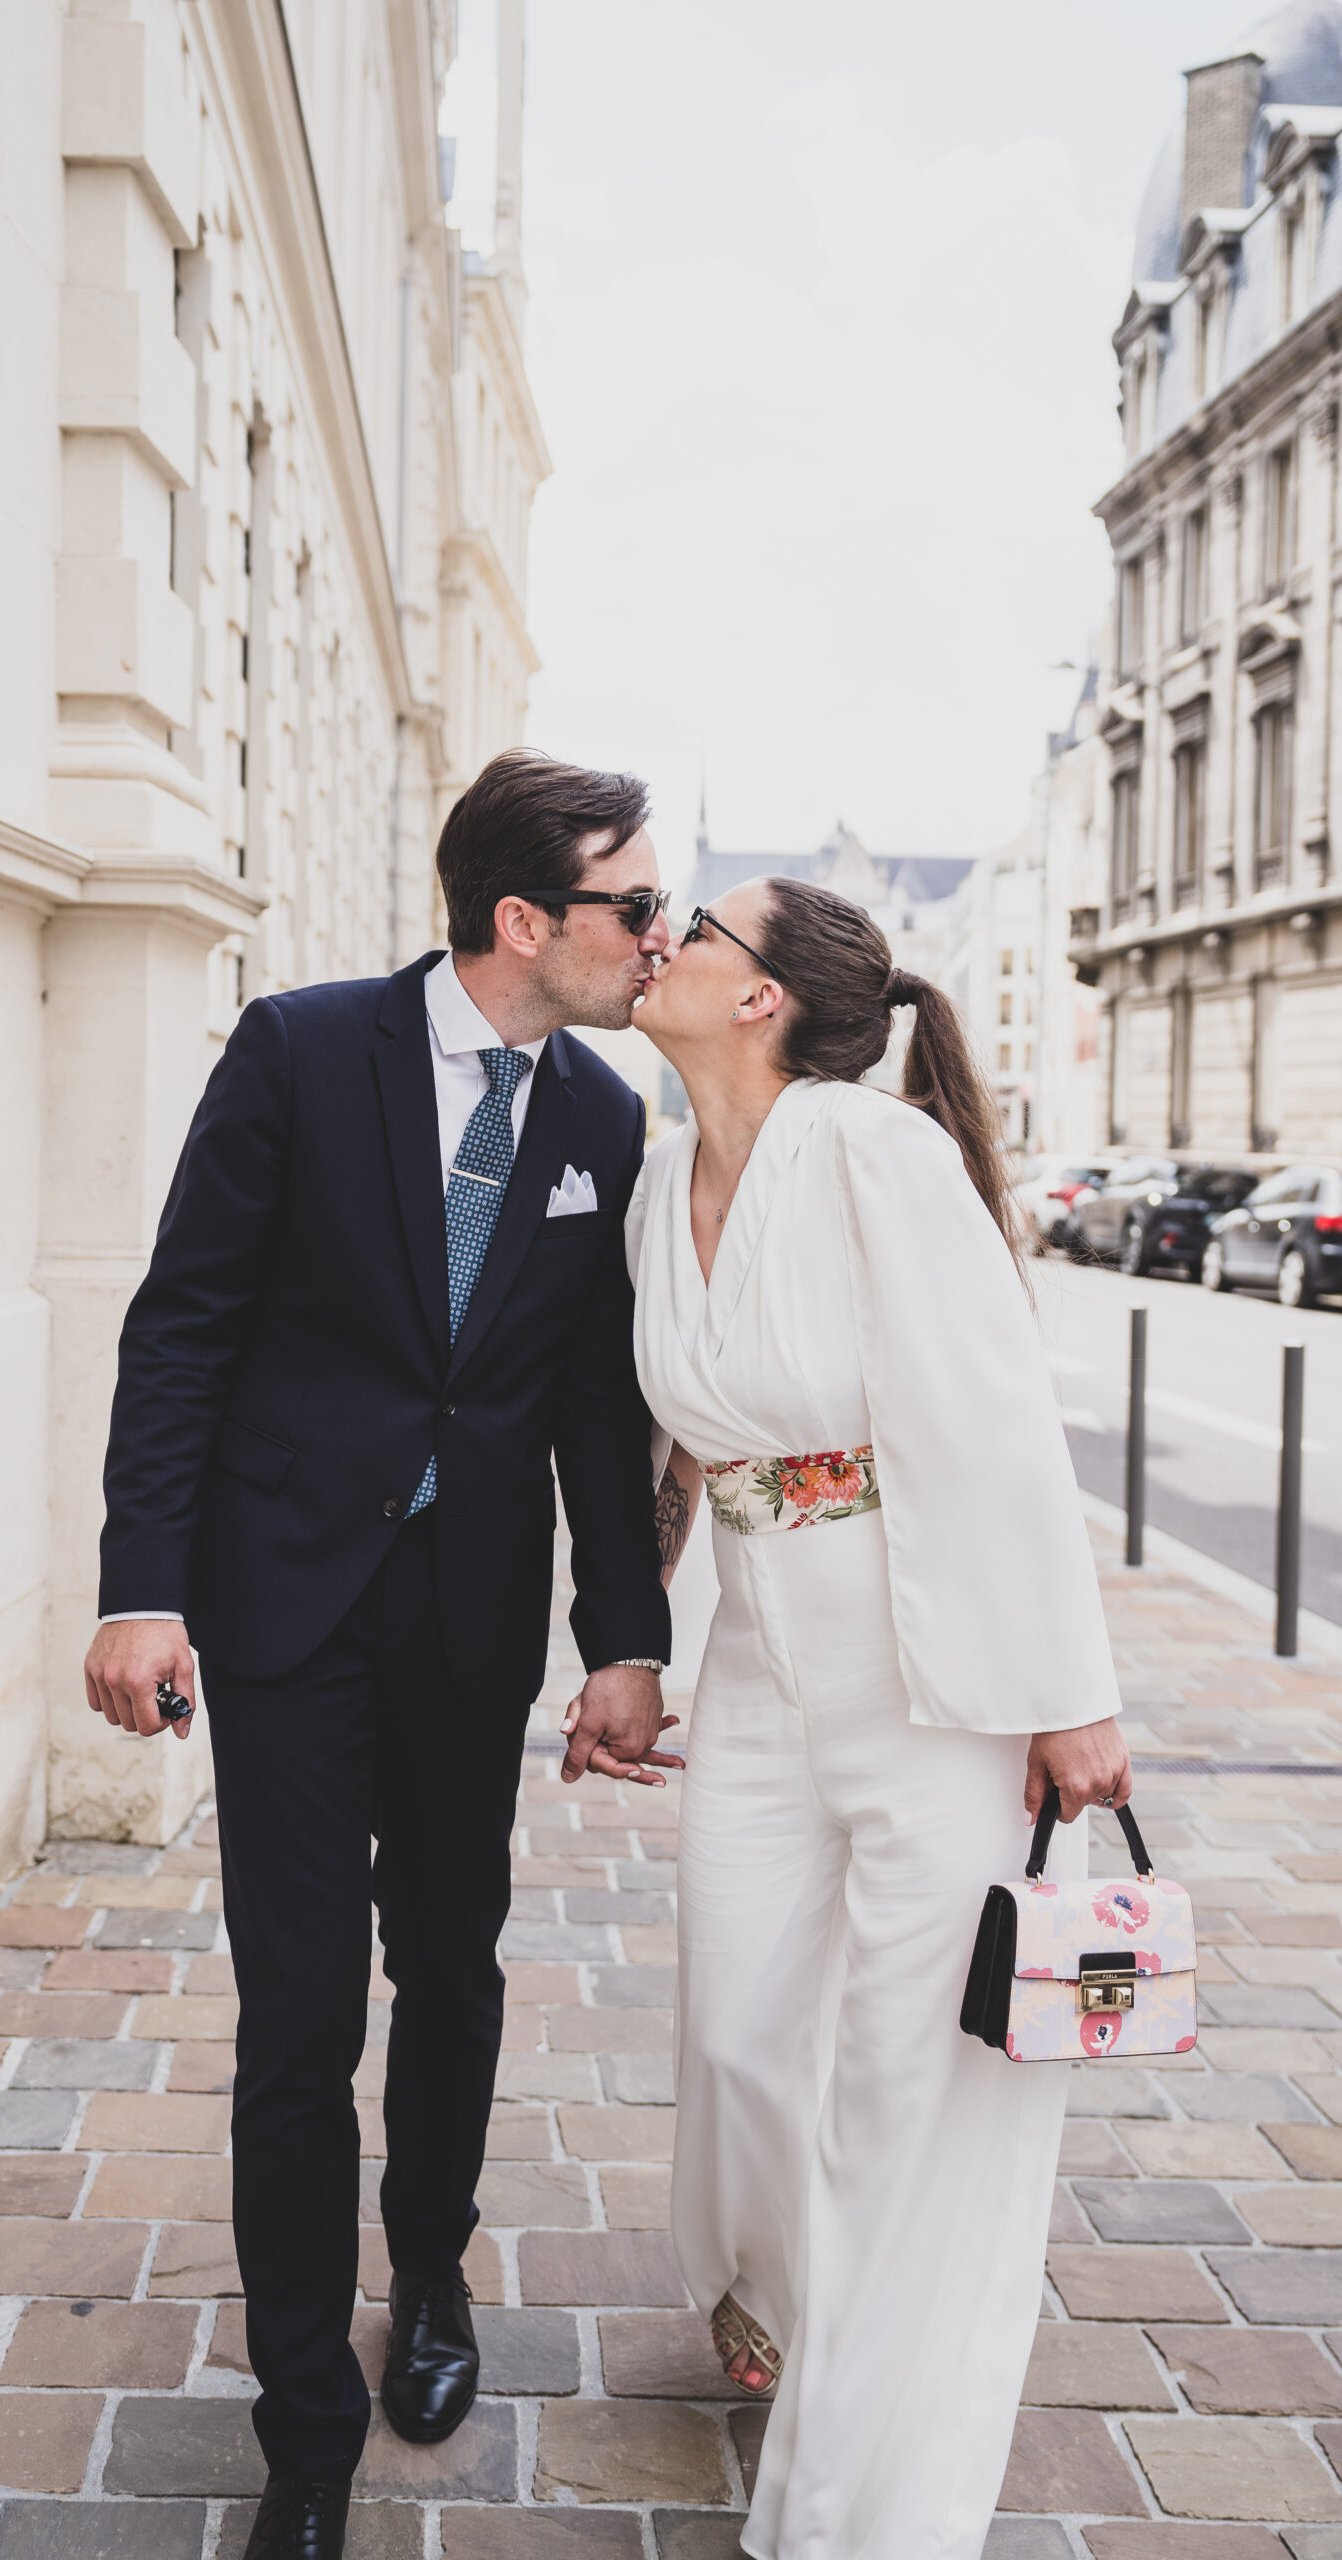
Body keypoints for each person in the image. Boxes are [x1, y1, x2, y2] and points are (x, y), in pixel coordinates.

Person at [83, 750, 681, 2560]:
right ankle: (305, 2426)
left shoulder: (599, 1118)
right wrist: (140, 1586)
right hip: (281, 1601)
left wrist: (622, 1643)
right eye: (634, 906)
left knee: (453, 1960)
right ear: (526, 920)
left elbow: (593, 1405)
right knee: (297, 2013)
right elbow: (182, 1325)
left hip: (469, 1619)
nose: (659, 937)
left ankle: (430, 2274)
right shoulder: (297, 1047)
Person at [627, 877, 1130, 2560]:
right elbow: (689, 1444)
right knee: (736, 2028)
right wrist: (629, 1645)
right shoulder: (659, 1170)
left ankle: (858, 2502)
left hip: (940, 1682)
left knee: (911, 2093)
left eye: (697, 921)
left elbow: (988, 1419)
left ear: (761, 995)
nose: (663, 937)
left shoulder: (871, 1146)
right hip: (763, 1668)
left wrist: (1070, 1701)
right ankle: (769, 2295)